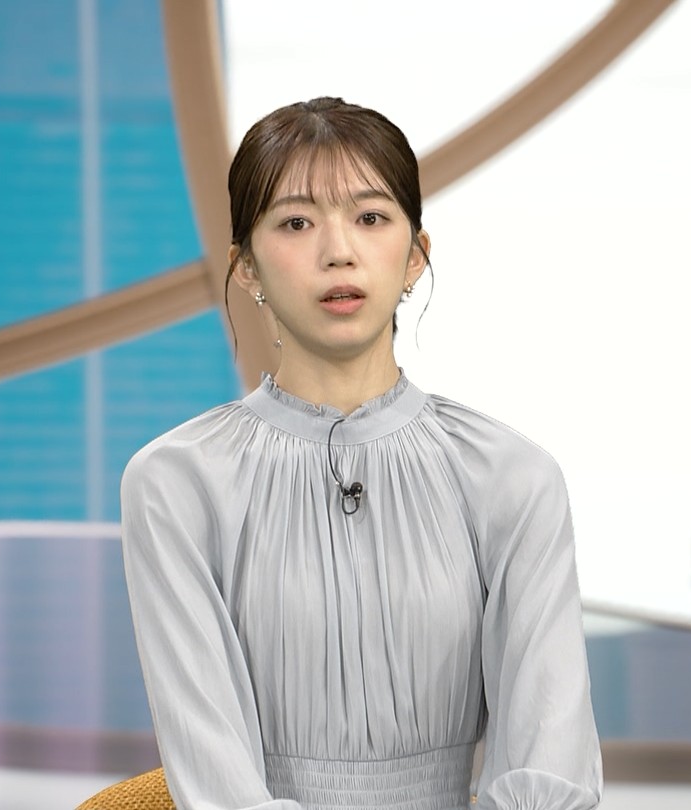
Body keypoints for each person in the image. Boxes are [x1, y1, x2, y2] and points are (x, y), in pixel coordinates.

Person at [120, 97, 601, 810]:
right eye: (296, 222)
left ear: (415, 256)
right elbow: (216, 778)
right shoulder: (177, 480)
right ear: (245, 268)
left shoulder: (510, 474)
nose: (337, 251)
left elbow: (548, 758)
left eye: (370, 218)